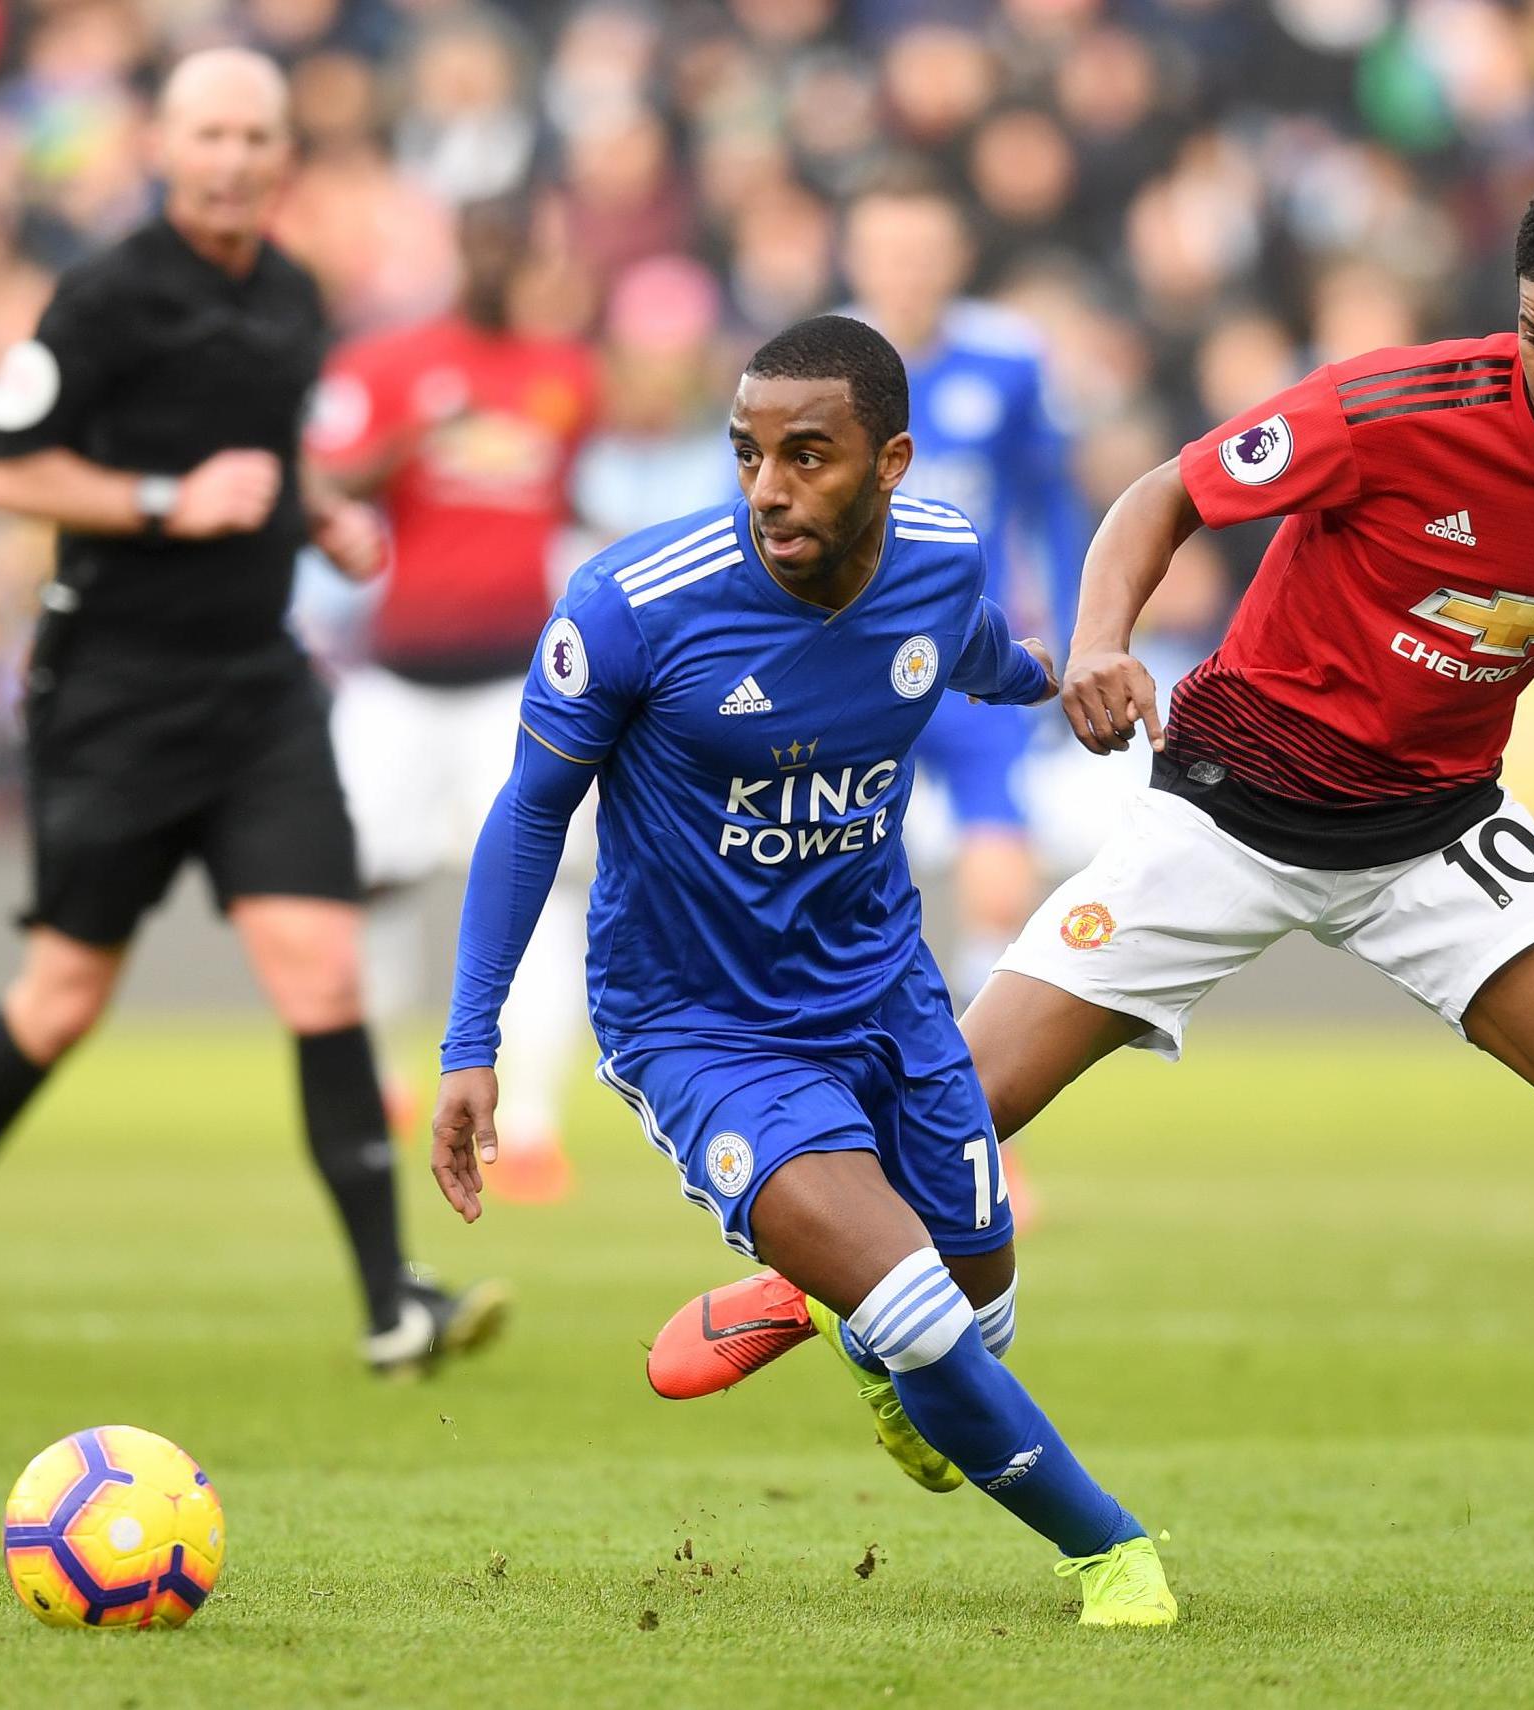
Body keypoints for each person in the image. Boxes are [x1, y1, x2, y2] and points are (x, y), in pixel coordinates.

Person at [647, 173, 1534, 1623]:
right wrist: (1102, 643)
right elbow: (1164, 491)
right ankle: (810, 1285)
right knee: (951, 1112)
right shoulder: (1393, 405)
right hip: (1221, 819)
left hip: (1437, 839)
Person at [428, 315, 1175, 1625]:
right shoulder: (630, 609)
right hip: (700, 1023)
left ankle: (822, 1296)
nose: (768, 487)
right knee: (922, 1318)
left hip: (881, 989)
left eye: (807, 455)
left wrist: (1054, 682)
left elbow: (979, 649)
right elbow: (527, 813)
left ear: (888, 461)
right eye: (747, 452)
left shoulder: (938, 555)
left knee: (977, 1307)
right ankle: (1108, 1549)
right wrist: (467, 1044)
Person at [0, 49, 506, 1379]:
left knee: (323, 972)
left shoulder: (288, 292)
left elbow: (268, 454)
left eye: (255, 135)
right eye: (208, 132)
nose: (231, 157)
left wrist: (320, 510)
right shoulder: (104, 296)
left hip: (257, 687)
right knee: (61, 1000)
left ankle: (391, 1300)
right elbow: (3, 475)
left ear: (286, 154)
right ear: (163, 145)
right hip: (112, 691)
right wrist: (165, 500)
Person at [305, 192, 599, 1203]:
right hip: (396, 672)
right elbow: (329, 484)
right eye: (484, 240)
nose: (498, 260)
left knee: (545, 896)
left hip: (516, 683)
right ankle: (383, 1079)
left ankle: (534, 1129)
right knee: (350, 878)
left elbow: (566, 504)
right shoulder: (388, 365)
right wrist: (417, 437)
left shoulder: (565, 374)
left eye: (514, 242)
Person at [842, 167, 1089, 1219]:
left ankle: (978, 1129)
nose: (904, 274)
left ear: (955, 259)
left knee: (996, 899)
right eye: (886, 255)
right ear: (857, 261)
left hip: (975, 673)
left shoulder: (1008, 358)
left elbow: (1053, 502)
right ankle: (857, 1137)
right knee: (854, 913)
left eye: (921, 254)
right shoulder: (819, 362)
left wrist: (1084, 628)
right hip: (853, 681)